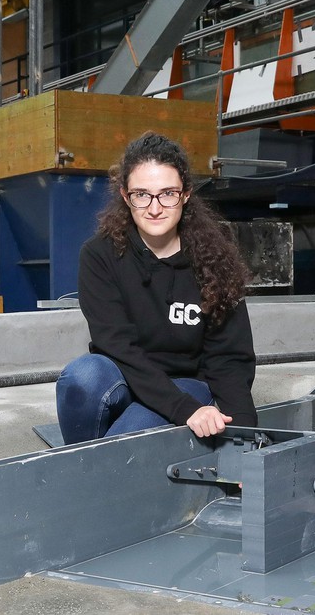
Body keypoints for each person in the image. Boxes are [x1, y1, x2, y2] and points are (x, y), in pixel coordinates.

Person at [56, 131, 257, 444]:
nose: (154, 207)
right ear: (126, 196)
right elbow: (117, 347)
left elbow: (228, 359)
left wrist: (246, 441)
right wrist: (183, 410)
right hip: (125, 373)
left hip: (186, 384)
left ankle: (86, 476)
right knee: (84, 375)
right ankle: (80, 461)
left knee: (133, 432)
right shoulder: (100, 256)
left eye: (167, 193)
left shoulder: (215, 260)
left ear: (186, 194)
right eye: (142, 194)